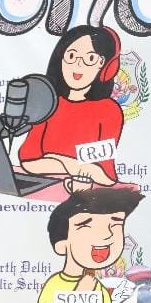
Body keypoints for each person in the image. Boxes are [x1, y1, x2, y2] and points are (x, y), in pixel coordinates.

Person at [19, 25, 124, 188]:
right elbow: (28, 160)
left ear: (105, 67)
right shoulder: (49, 103)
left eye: (90, 58)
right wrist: (73, 166)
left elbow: (105, 174)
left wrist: (55, 160)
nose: (78, 65)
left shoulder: (109, 111)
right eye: (71, 56)